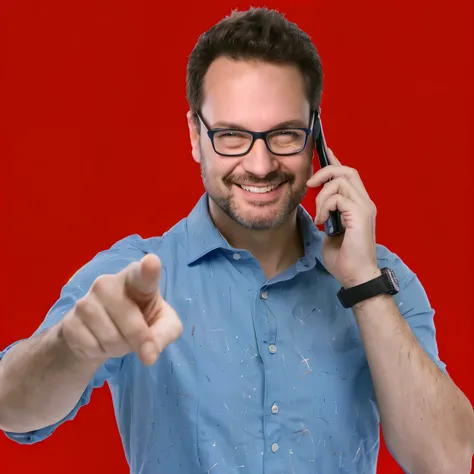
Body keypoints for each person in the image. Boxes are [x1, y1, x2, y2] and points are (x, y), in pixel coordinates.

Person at [0, 7, 472, 474]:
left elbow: (446, 461)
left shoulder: (380, 279)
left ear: (316, 135)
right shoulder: (131, 277)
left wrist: (364, 283)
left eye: (285, 134)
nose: (261, 165)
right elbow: (12, 411)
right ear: (194, 135)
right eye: (230, 135)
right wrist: (72, 345)